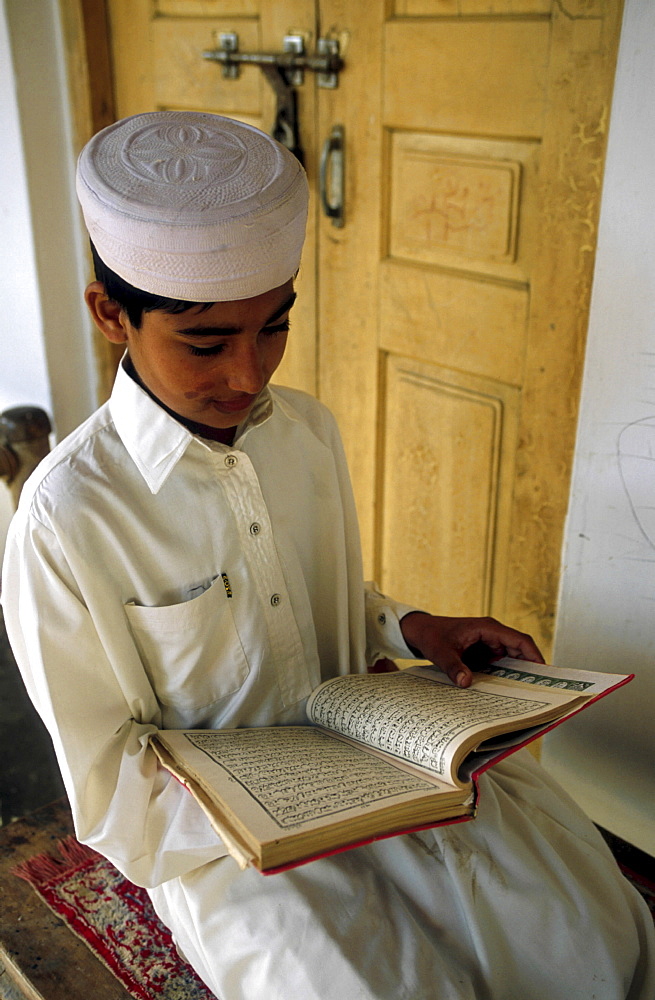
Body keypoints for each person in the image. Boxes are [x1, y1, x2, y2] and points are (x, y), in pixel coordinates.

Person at [2, 111, 653, 1000]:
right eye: (206, 342)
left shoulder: (305, 433)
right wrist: (288, 804)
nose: (248, 373)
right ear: (111, 313)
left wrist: (410, 625)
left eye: (273, 327)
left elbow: (319, 599)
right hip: (230, 847)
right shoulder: (65, 517)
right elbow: (114, 795)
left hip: (391, 766)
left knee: (593, 940)